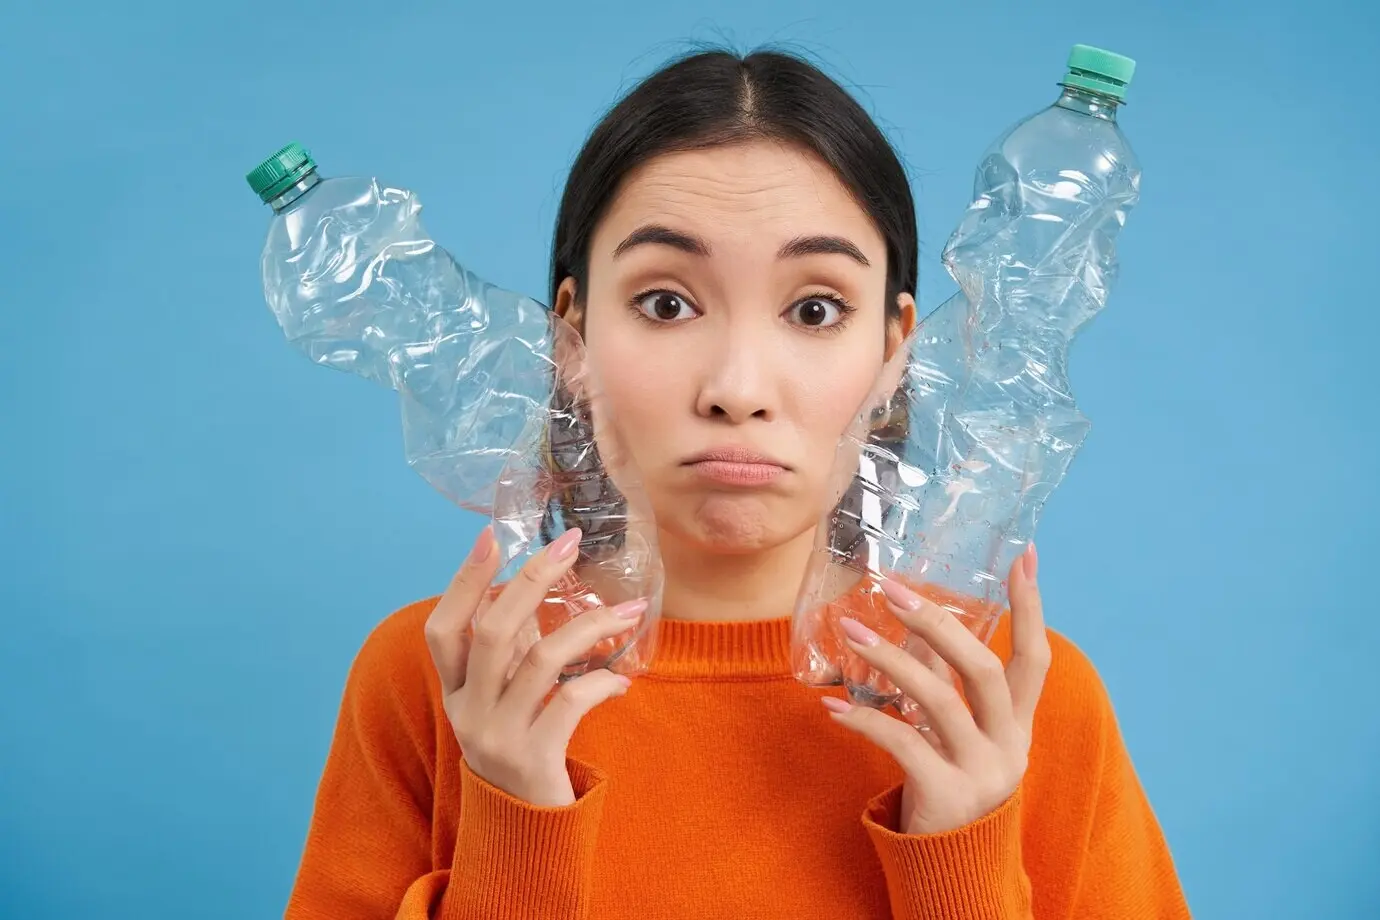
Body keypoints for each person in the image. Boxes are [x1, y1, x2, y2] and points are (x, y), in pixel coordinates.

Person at [284, 47, 1190, 920]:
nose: (737, 390)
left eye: (815, 309)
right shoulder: (440, 681)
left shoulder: (1007, 699)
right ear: (569, 338)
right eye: (665, 303)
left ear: (894, 349)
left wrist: (963, 858)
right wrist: (515, 824)